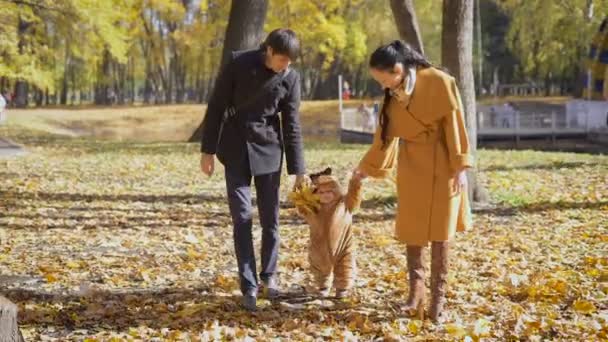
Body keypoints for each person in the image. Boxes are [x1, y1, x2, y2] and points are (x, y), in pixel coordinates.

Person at [352, 40, 474, 322]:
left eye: (385, 79)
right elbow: (383, 140)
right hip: (412, 168)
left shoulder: (439, 81)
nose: (383, 87)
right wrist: (364, 169)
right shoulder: (392, 96)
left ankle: (437, 301)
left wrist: (461, 167)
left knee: (441, 233)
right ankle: (415, 294)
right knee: (413, 230)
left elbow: (455, 124)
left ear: (398, 69)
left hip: (444, 164)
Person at [199, 28, 306, 311]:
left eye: (290, 61)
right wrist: (207, 151)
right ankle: (248, 285)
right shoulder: (238, 63)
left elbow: (292, 125)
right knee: (242, 216)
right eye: (283, 59)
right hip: (234, 149)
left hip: (270, 151)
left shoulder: (290, 78)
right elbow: (216, 106)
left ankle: (269, 275)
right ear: (269, 50)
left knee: (270, 218)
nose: (287, 66)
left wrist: (298, 169)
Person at [294, 167, 361, 299]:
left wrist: (355, 181)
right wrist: (300, 181)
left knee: (345, 267)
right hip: (319, 248)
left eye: (330, 191)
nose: (325, 194)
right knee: (320, 268)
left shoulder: (345, 204)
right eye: (321, 192)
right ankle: (322, 286)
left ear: (337, 190)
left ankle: (342, 288)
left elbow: (355, 195)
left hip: (343, 247)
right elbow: (300, 201)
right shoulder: (312, 208)